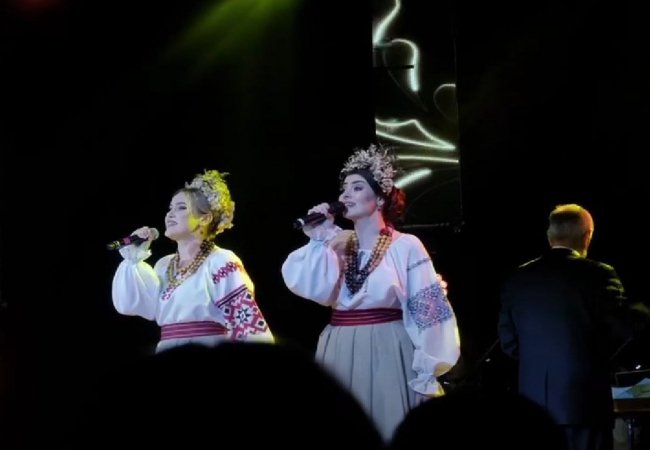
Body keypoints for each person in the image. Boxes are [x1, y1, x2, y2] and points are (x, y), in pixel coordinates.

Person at [281, 144, 460, 441]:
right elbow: (313, 288)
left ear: (379, 198)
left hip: (387, 345)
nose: (345, 196)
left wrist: (429, 370)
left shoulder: (405, 245)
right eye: (344, 189)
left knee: (385, 425)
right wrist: (317, 238)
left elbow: (428, 311)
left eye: (357, 187)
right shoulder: (335, 244)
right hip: (339, 345)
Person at [498, 203, 649, 450]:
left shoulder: (517, 279)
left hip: (533, 412)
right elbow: (623, 330)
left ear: (550, 237)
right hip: (584, 406)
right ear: (587, 236)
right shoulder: (599, 274)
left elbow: (509, 343)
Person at [112, 169, 273, 353]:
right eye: (170, 208)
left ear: (205, 218)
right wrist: (134, 258)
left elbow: (245, 321)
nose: (170, 214)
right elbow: (134, 305)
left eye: (181, 208)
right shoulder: (164, 265)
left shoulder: (221, 261)